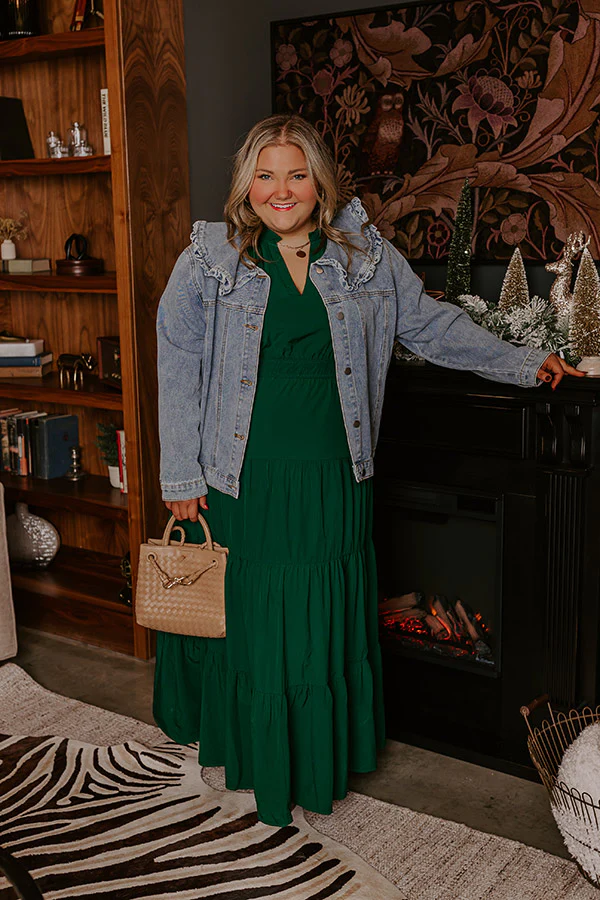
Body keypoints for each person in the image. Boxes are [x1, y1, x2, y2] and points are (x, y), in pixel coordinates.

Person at [154, 113, 582, 828]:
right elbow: (178, 362)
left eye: (296, 174)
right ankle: (261, 761)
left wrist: (521, 363)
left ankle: (315, 760)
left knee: (321, 615)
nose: (280, 190)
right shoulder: (210, 261)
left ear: (319, 184)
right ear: (246, 186)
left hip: (333, 471)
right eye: (265, 175)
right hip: (243, 476)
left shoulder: (365, 259)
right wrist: (181, 476)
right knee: (259, 620)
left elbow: (431, 326)